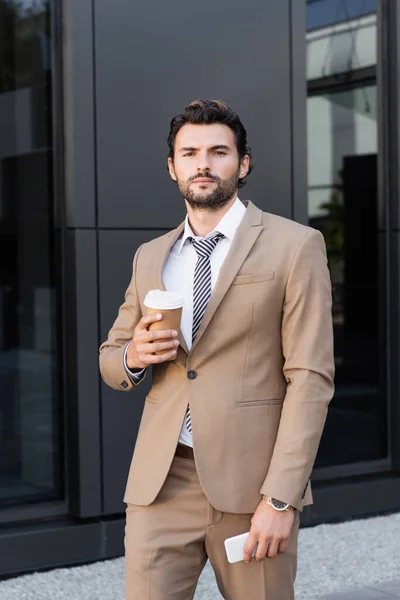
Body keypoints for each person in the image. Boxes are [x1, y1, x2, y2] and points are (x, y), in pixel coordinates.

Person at [99, 99, 335, 600]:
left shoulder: (296, 246)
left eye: (218, 152)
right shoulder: (150, 257)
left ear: (242, 163)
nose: (202, 163)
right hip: (160, 484)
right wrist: (133, 357)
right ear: (172, 167)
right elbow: (111, 357)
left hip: (252, 486)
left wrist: (281, 498)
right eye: (189, 153)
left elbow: (310, 378)